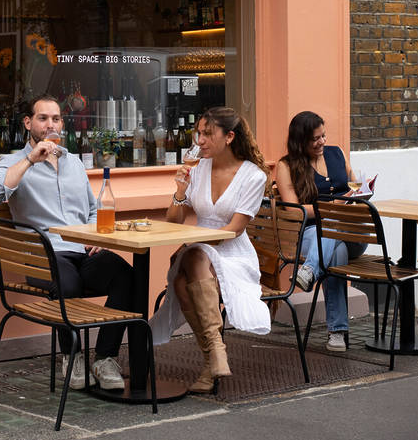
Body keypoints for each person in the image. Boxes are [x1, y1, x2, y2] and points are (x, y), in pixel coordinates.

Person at [0, 94, 133, 391]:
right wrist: (30, 159)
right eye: (42, 118)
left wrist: (94, 236)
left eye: (55, 119)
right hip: (44, 255)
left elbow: (91, 208)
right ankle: (72, 356)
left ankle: (104, 357)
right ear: (28, 123)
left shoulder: (74, 162)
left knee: (127, 277)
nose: (50, 124)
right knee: (69, 284)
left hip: (81, 249)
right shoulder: (14, 161)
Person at [148, 107, 272, 393]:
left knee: (189, 263)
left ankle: (213, 353)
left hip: (233, 253)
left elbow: (234, 229)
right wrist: (180, 191)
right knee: (184, 277)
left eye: (207, 133)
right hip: (200, 253)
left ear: (229, 137)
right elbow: (173, 221)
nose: (200, 140)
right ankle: (213, 357)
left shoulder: (253, 176)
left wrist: (195, 242)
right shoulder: (199, 169)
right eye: (198, 133)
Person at [274, 110, 365, 353]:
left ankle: (310, 270)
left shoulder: (337, 153)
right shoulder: (286, 166)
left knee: (332, 225)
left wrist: (360, 194)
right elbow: (294, 212)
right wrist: (331, 207)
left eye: (323, 136)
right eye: (315, 139)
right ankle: (337, 332)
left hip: (350, 231)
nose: (322, 142)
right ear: (300, 141)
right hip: (309, 235)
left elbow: (355, 186)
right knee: (335, 254)